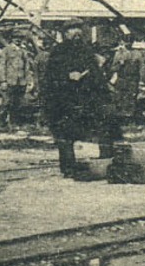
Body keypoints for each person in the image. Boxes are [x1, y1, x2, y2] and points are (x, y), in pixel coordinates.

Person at [44, 25, 109, 174]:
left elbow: (96, 73)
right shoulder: (58, 52)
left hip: (87, 98)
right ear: (65, 33)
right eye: (72, 29)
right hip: (66, 99)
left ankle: (105, 164)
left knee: (103, 129)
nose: (77, 32)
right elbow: (50, 76)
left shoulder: (87, 51)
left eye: (78, 29)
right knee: (66, 135)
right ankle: (68, 167)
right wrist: (67, 76)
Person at [106, 26, 144, 136]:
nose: (128, 44)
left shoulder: (137, 54)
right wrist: (119, 64)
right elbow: (112, 68)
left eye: (130, 42)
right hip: (122, 79)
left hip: (133, 80)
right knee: (120, 98)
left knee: (131, 99)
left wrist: (141, 81)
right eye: (126, 42)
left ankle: (129, 120)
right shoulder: (119, 54)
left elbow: (142, 68)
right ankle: (121, 121)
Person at [0, 30, 34, 127]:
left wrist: (29, 81)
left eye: (20, 38)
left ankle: (14, 123)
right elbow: (2, 65)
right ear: (11, 39)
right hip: (9, 80)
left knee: (18, 103)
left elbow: (27, 67)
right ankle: (1, 123)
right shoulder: (6, 50)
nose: (18, 40)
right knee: (7, 102)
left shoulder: (23, 51)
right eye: (16, 38)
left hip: (21, 81)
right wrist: (3, 80)